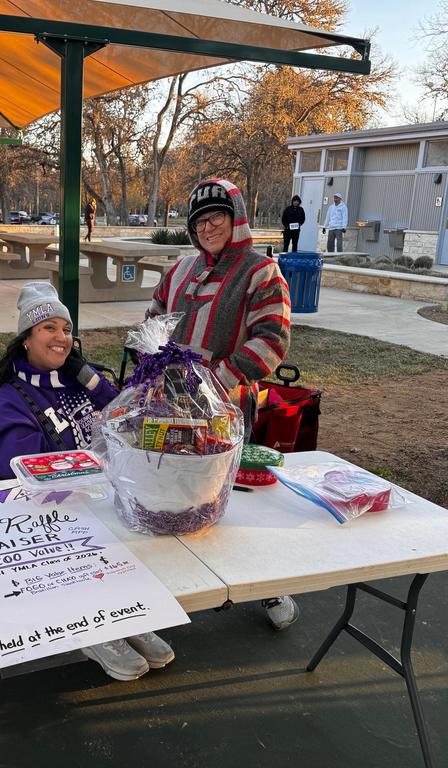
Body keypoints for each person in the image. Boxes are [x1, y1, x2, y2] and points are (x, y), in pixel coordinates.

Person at [0, 282, 174, 681]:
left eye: (66, 329)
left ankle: (125, 616)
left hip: (99, 498)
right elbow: (17, 467)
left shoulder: (76, 382)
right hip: (49, 513)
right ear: (26, 340)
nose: (61, 337)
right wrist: (92, 471)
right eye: (48, 328)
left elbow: (127, 414)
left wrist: (89, 377)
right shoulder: (12, 399)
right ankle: (91, 627)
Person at [147, 178, 299, 631]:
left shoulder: (261, 272)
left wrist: (216, 381)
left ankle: (266, 585)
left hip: (223, 410)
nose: (208, 227)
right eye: (199, 221)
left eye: (216, 217)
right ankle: (175, 584)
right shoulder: (178, 271)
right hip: (168, 404)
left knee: (225, 497)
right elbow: (153, 322)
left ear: (235, 218)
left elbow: (273, 340)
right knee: (170, 494)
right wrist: (149, 363)